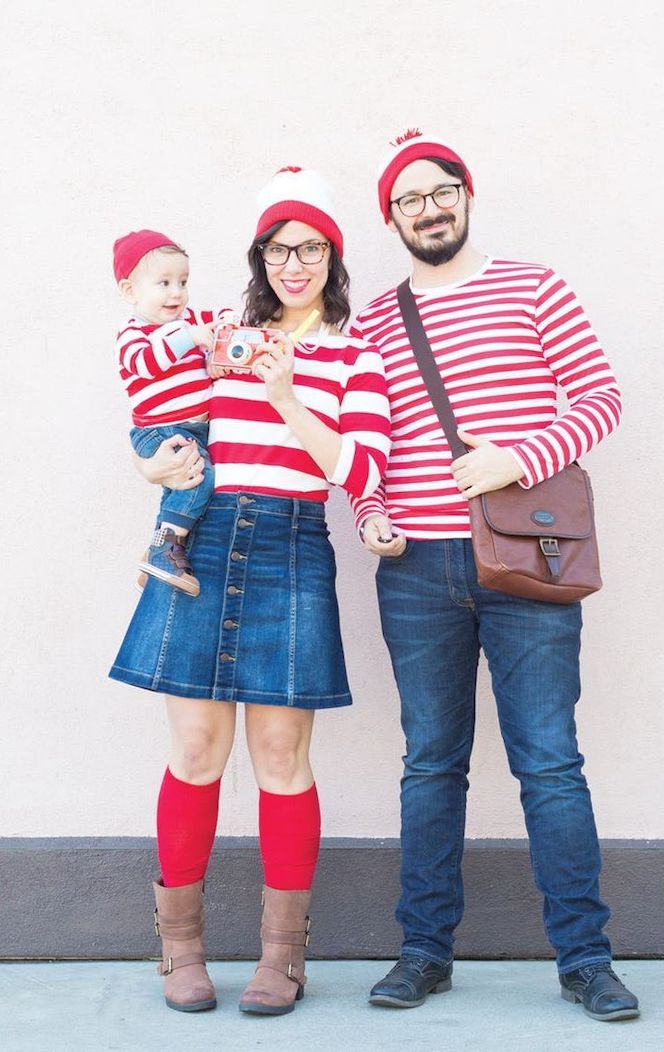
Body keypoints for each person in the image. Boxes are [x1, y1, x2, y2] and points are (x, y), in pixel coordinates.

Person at [350, 129, 639, 1023]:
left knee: (550, 763)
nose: (427, 209)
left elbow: (601, 400)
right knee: (430, 764)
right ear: (391, 217)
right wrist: (369, 512)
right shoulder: (372, 320)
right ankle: (423, 951)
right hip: (418, 571)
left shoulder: (534, 286)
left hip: (526, 558)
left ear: (466, 195)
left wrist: (517, 456)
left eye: (440, 192)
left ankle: (585, 958)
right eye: (409, 200)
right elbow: (369, 443)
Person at [109, 168, 391, 1016]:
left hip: (293, 546)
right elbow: (163, 412)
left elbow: (362, 469)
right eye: (278, 249)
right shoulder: (220, 328)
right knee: (196, 751)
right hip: (205, 534)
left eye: (308, 248)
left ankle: (281, 957)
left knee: (280, 759)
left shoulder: (357, 352)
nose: (292, 264)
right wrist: (146, 462)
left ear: (331, 257)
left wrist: (285, 396)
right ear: (260, 258)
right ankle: (181, 950)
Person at [114, 229, 234, 596]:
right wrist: (193, 337)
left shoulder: (192, 317)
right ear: (130, 291)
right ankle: (164, 550)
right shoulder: (134, 334)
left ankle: (156, 556)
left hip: (194, 430)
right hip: (159, 430)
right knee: (200, 479)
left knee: (178, 492)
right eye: (163, 282)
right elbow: (148, 363)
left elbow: (227, 314)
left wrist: (223, 336)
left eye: (182, 281)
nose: (176, 292)